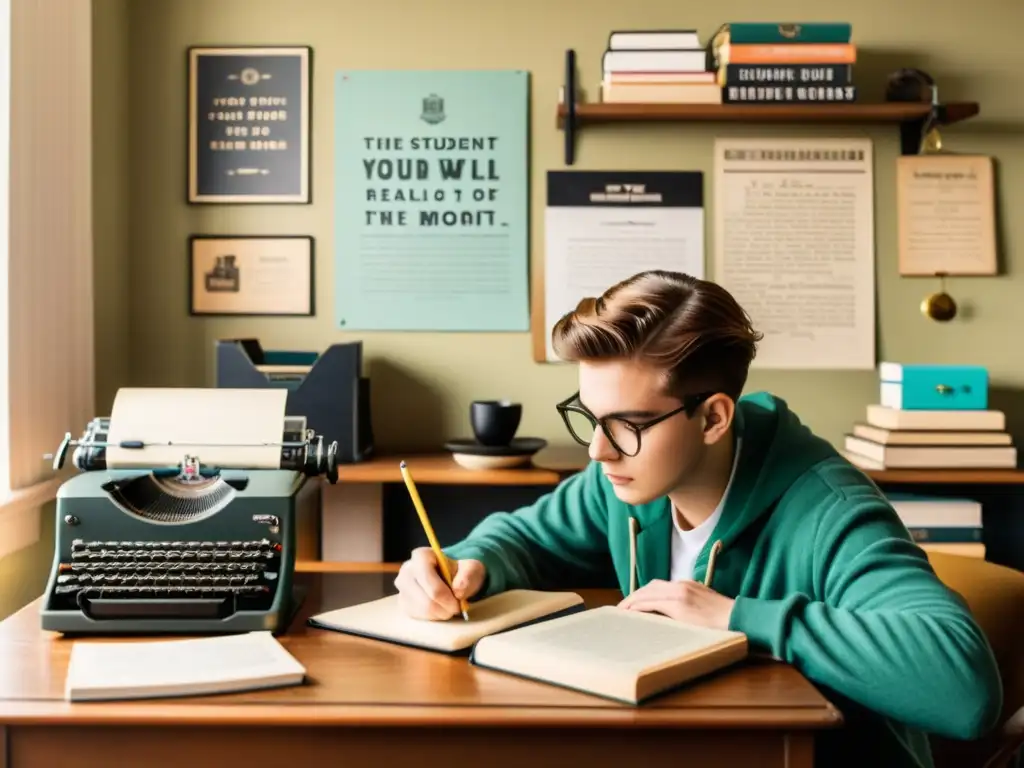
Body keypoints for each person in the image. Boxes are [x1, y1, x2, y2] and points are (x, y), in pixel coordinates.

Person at [393, 269, 1002, 767]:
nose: (597, 451)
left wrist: (738, 617)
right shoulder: (628, 480)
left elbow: (965, 686)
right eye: (590, 417)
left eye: (627, 426)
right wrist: (465, 563)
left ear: (713, 418)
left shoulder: (830, 510)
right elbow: (521, 536)